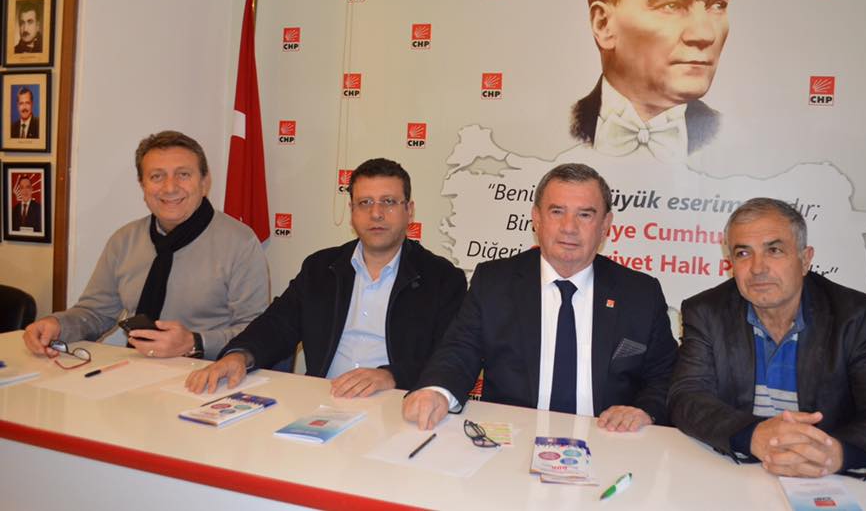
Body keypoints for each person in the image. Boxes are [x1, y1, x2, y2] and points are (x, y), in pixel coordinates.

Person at [403, 163, 677, 431]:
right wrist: (437, 391)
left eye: (585, 215)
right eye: (557, 212)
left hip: (607, 438)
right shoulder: (494, 282)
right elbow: (459, 351)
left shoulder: (640, 293)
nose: (569, 227)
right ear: (536, 218)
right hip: (513, 437)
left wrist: (644, 410)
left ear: (606, 225)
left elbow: (665, 375)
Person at [668, 198, 866, 478]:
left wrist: (834, 453)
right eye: (743, 253)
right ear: (731, 263)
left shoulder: (853, 316)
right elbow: (687, 398)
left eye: (774, 250)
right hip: (737, 474)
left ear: (805, 259)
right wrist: (753, 435)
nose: (758, 268)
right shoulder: (706, 311)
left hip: (824, 478)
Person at [185, 158, 467, 398]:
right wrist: (239, 355)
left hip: (399, 401)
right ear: (352, 212)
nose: (376, 213)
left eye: (389, 202)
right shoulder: (321, 268)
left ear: (409, 211)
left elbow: (450, 356)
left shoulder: (442, 278)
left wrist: (391, 376)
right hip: (323, 399)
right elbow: (277, 325)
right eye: (365, 202)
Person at [23, 131, 269, 360]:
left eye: (183, 174)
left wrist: (195, 342)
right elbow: (95, 313)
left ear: (205, 182)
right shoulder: (124, 240)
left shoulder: (240, 242)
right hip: (135, 369)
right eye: (156, 176)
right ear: (143, 186)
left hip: (210, 375)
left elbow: (257, 329)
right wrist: (57, 325)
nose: (170, 187)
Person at [570, 0, 732, 160]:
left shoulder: (731, 138)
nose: (705, 34)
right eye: (671, 5)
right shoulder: (563, 127)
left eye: (717, 5)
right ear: (603, 25)